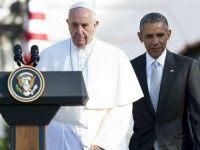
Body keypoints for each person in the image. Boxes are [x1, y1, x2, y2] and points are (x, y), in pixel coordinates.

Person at [37, 1, 143, 150]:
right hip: (60, 138)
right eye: (74, 25)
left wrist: (102, 143)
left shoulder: (115, 56)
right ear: (67, 24)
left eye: (84, 25)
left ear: (95, 25)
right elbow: (39, 104)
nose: (79, 31)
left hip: (101, 136)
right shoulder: (50, 55)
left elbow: (122, 109)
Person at [129, 12, 200, 150]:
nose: (155, 41)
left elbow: (197, 116)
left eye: (160, 35)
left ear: (168, 34)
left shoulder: (187, 66)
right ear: (140, 36)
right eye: (149, 36)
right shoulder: (130, 68)